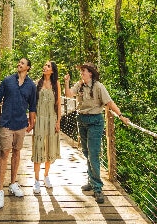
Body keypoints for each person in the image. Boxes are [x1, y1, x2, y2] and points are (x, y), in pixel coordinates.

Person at [64, 62, 130, 204]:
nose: (81, 73)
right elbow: (69, 95)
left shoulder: (99, 87)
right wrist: (66, 82)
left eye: (84, 71)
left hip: (95, 122)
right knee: (87, 153)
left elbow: (109, 103)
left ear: (91, 73)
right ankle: (91, 180)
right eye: (81, 71)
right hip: (81, 120)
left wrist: (121, 115)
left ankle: (98, 188)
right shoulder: (80, 84)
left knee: (93, 154)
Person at [0, 58, 37, 209]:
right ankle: (0, 191)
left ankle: (12, 184)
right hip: (6, 123)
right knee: (4, 154)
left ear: (28, 68)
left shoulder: (31, 85)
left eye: (22, 63)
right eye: (19, 62)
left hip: (21, 124)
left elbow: (32, 106)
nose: (19, 64)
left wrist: (32, 122)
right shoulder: (7, 80)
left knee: (17, 152)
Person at [31, 60, 61, 194]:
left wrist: (58, 121)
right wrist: (32, 119)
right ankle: (36, 181)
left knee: (50, 147)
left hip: (52, 118)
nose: (45, 67)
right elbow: (32, 103)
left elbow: (59, 103)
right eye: (45, 65)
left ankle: (46, 176)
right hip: (39, 119)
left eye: (48, 66)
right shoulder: (37, 83)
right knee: (38, 147)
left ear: (52, 70)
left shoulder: (56, 84)